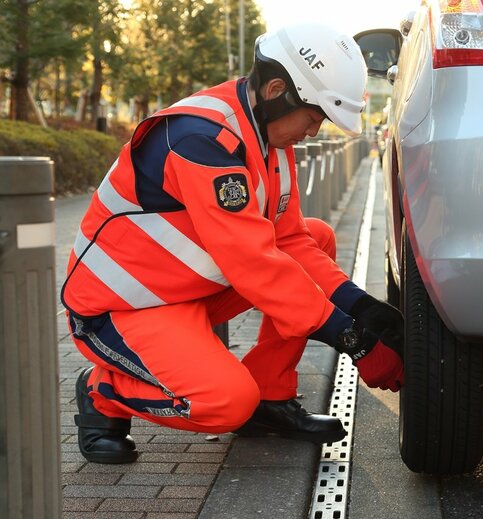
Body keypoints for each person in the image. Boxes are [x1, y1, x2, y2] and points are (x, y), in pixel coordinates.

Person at [61, 22, 404, 464]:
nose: (315, 132)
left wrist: (361, 306)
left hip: (182, 289)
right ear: (277, 89)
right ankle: (102, 392)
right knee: (224, 402)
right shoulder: (199, 139)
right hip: (120, 307)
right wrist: (354, 341)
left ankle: (269, 398)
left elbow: (290, 240)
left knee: (316, 236)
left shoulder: (266, 131)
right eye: (316, 116)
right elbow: (254, 265)